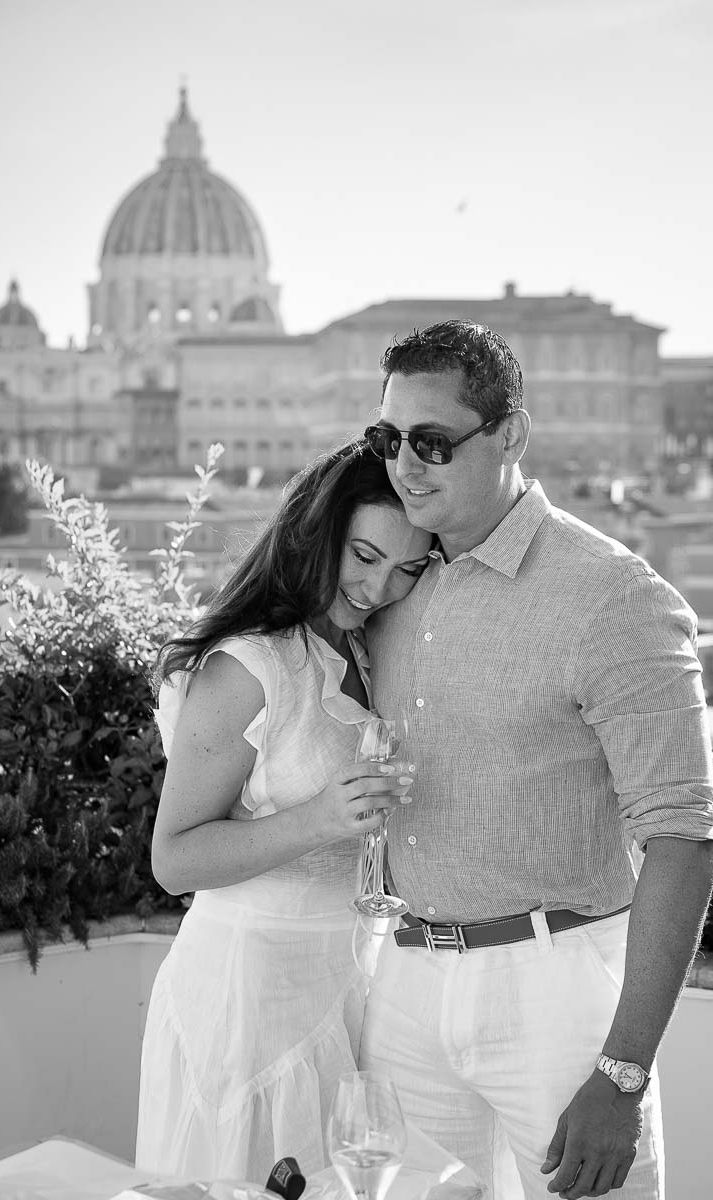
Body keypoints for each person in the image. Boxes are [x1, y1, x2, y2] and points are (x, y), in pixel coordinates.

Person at [358, 320, 713, 1200]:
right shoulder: (393, 581)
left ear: (511, 435)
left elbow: (685, 835)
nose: (405, 464)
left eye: (433, 442)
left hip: (555, 993)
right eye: (389, 439)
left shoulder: (614, 596)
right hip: (404, 977)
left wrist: (623, 1073)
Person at [135, 441, 433, 1182]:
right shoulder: (248, 667)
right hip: (245, 998)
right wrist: (321, 820)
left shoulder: (365, 652)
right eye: (363, 555)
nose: (377, 587)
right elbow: (172, 860)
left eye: (406, 569)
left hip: (348, 986)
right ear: (317, 533)